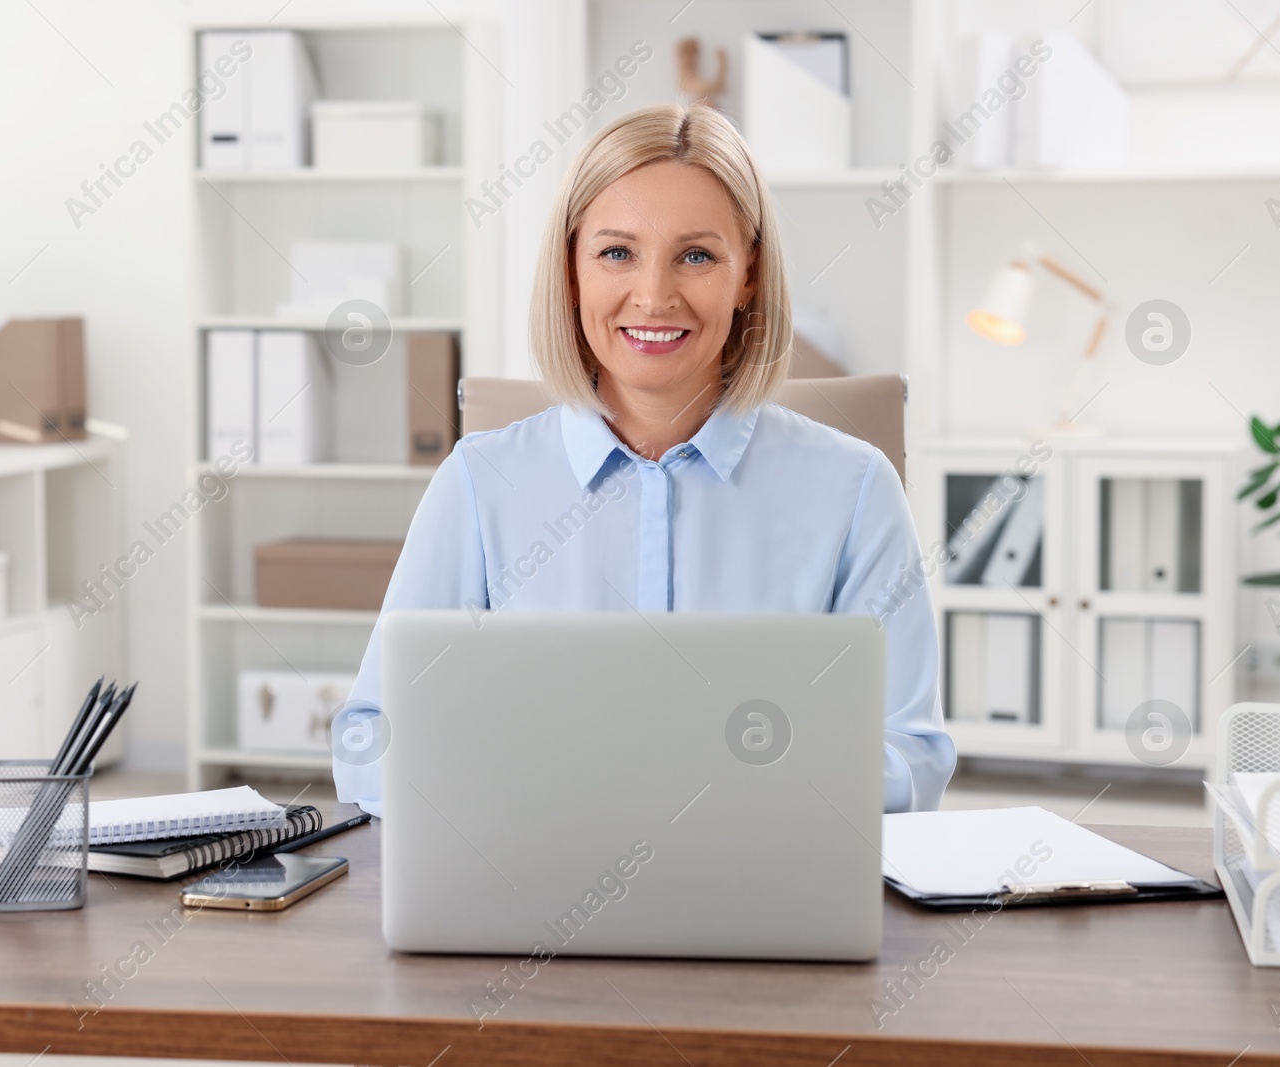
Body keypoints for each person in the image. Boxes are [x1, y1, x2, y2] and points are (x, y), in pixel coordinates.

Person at [333, 103, 954, 816]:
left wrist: (719, 783)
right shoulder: (479, 484)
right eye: (616, 252)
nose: (654, 297)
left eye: (696, 255)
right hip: (530, 888)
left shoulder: (855, 489)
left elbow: (911, 759)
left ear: (747, 272)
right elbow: (370, 740)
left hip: (765, 890)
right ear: (572, 270)